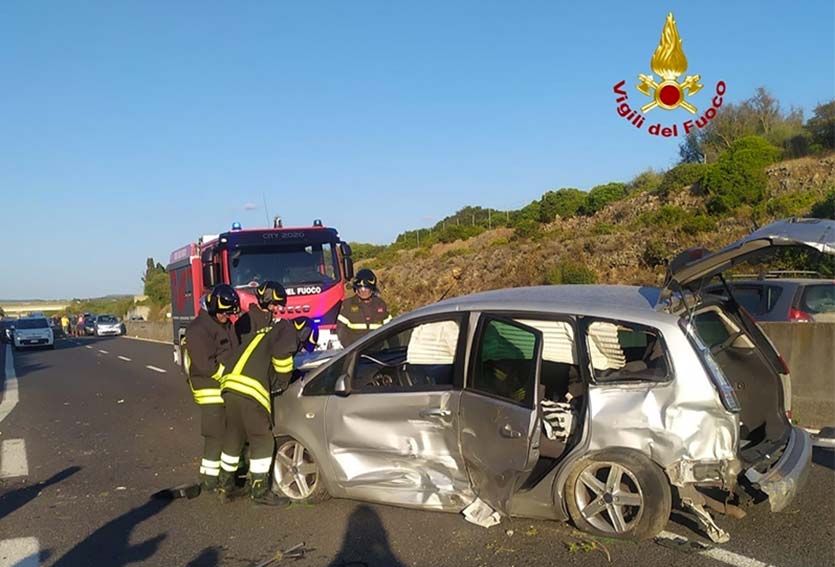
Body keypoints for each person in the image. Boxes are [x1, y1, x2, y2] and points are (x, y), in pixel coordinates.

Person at [217, 314, 318, 506]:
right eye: (303, 344)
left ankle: (225, 487)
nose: (300, 348)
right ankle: (260, 490)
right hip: (250, 391)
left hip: (230, 387)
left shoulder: (266, 331)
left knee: (234, 436)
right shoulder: (288, 331)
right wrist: (283, 380)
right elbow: (282, 356)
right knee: (262, 440)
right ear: (305, 333)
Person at [183, 284, 241, 494]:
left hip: (224, 387)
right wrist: (229, 376)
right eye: (225, 313)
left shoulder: (222, 323)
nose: (229, 316)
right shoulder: (198, 330)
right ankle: (209, 481)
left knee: (229, 433)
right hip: (210, 390)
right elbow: (206, 366)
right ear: (215, 308)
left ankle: (225, 478)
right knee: (216, 435)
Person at [336, 268, 392, 347]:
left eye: (366, 288)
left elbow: (391, 331)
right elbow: (341, 330)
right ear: (355, 289)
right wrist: (350, 350)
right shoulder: (348, 304)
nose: (363, 291)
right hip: (355, 352)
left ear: (372, 289)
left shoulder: (381, 304)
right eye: (360, 288)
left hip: (377, 352)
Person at [235, 281, 286, 345]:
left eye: (278, 305)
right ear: (265, 300)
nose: (277, 308)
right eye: (274, 304)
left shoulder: (273, 320)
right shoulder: (246, 321)